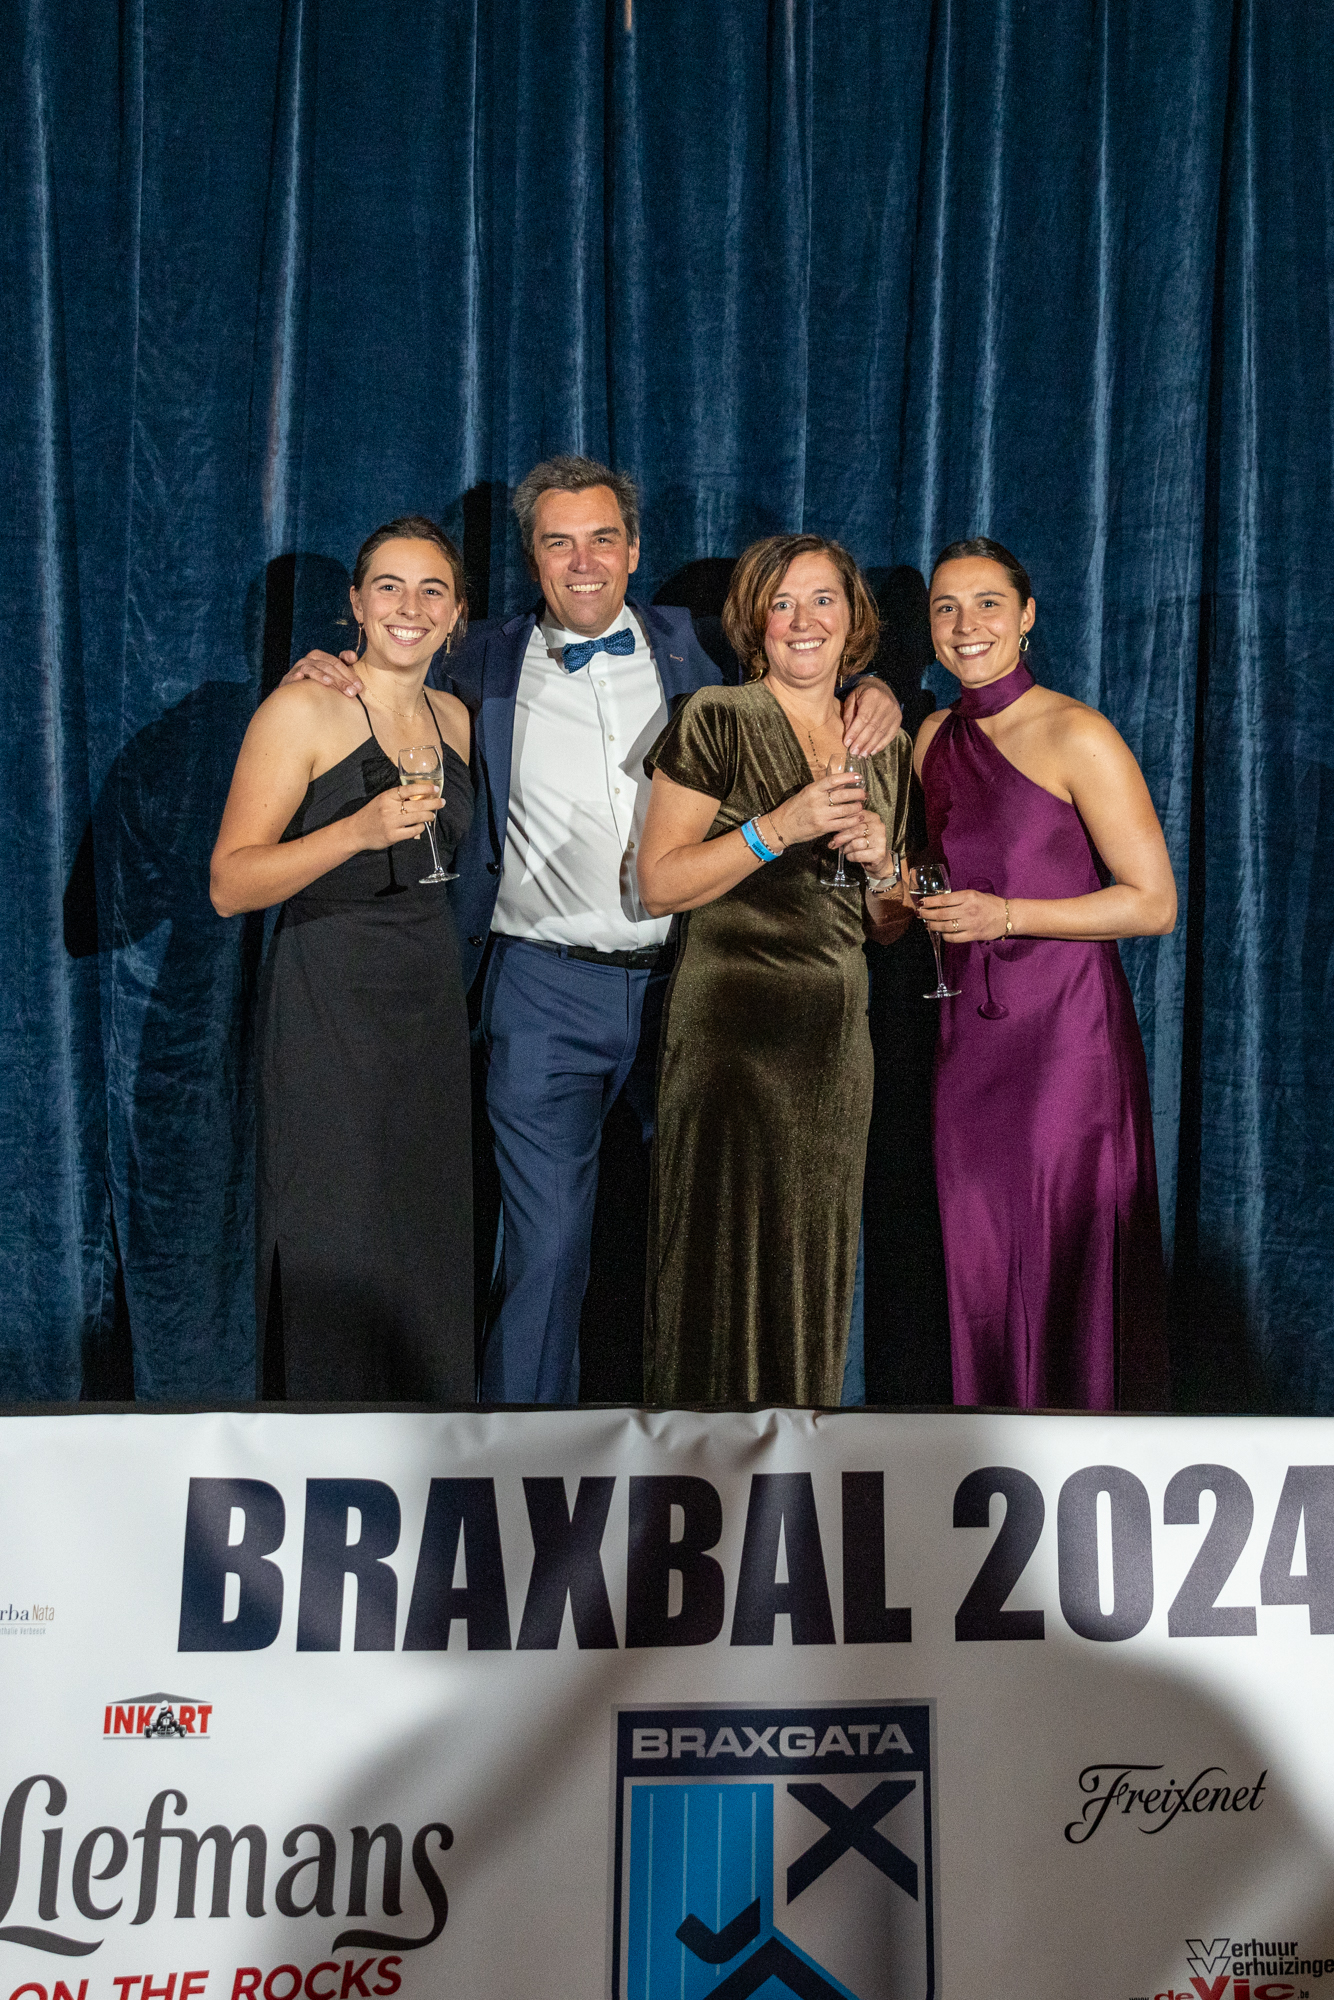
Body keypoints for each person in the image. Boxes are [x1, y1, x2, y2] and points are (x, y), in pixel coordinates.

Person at [285, 457, 903, 1405]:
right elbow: (392, 664)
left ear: (634, 550)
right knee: (547, 1251)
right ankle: (519, 1464)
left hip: (697, 986)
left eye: (603, 539)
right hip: (544, 990)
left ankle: (691, 1457)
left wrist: (876, 687)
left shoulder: (698, 646)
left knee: (701, 1244)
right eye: (558, 542)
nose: (583, 562)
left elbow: (804, 654)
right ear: (531, 558)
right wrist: (329, 668)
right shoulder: (478, 658)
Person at [636, 534, 913, 1405]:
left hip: (833, 1046)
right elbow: (658, 884)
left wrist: (883, 866)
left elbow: (889, 928)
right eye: (781, 603)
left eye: (822, 600)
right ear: (755, 621)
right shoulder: (718, 716)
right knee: (712, 1264)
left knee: (810, 1267)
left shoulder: (883, 743)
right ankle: (696, 1466)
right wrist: (775, 829)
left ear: (852, 618)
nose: (802, 620)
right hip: (730, 1031)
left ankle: (798, 1464)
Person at [211, 517, 475, 1400]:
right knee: (336, 1227)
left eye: (432, 590)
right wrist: (354, 833)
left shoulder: (455, 718)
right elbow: (230, 884)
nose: (410, 606)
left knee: (423, 1234)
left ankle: (427, 1451)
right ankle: (325, 1455)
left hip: (427, 997)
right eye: (389, 587)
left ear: (457, 615)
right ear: (356, 605)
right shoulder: (302, 710)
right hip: (328, 997)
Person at [913, 536, 1176, 1411]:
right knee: (983, 1262)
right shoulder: (931, 738)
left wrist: (1009, 916)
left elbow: (1152, 903)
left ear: (1026, 617)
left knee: (1067, 1260)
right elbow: (922, 886)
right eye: (947, 608)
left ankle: (1088, 1452)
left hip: (1066, 1042)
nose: (967, 624)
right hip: (967, 1044)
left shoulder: (1076, 732)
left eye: (988, 603)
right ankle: (993, 1457)